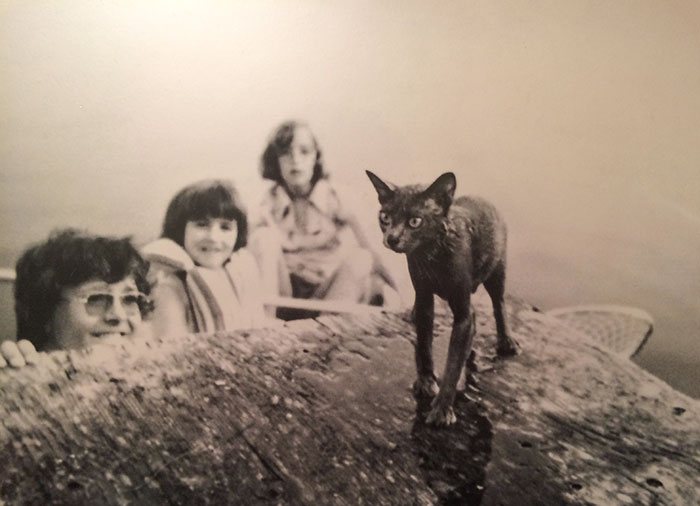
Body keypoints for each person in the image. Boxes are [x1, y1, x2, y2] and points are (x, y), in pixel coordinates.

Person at [249, 120, 397, 318]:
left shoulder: (337, 197)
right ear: (275, 160)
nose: (295, 160)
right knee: (263, 237)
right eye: (286, 153)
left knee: (362, 258)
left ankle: (325, 333)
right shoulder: (266, 203)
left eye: (304, 151)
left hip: (328, 297)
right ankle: (263, 325)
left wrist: (407, 301)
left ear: (316, 157)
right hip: (283, 299)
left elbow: (376, 253)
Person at [0, 229, 153, 368]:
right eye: (97, 298)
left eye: (130, 299)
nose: (119, 315)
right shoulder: (17, 374)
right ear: (44, 312)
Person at [142, 179, 267, 337]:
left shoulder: (239, 271)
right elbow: (171, 347)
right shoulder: (167, 285)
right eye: (202, 225)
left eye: (225, 227)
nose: (214, 237)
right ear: (180, 229)